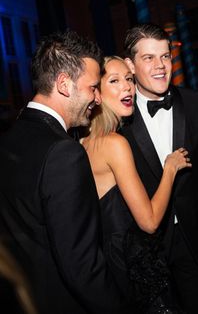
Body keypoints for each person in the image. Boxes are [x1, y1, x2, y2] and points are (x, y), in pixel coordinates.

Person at [0, 31, 137, 314]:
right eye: (91, 88)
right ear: (64, 84)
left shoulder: (10, 139)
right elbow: (83, 266)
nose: (97, 99)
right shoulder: (65, 153)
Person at [121, 23, 198, 314]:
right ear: (130, 65)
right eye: (149, 58)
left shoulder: (197, 104)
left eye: (165, 56)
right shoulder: (117, 117)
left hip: (196, 240)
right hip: (145, 249)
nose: (161, 66)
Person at [81, 55, 191, 313]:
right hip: (135, 274)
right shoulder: (114, 144)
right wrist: (170, 168)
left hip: (111, 271)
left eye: (129, 80)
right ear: (96, 93)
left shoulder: (83, 143)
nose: (128, 87)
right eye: (115, 81)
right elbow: (150, 222)